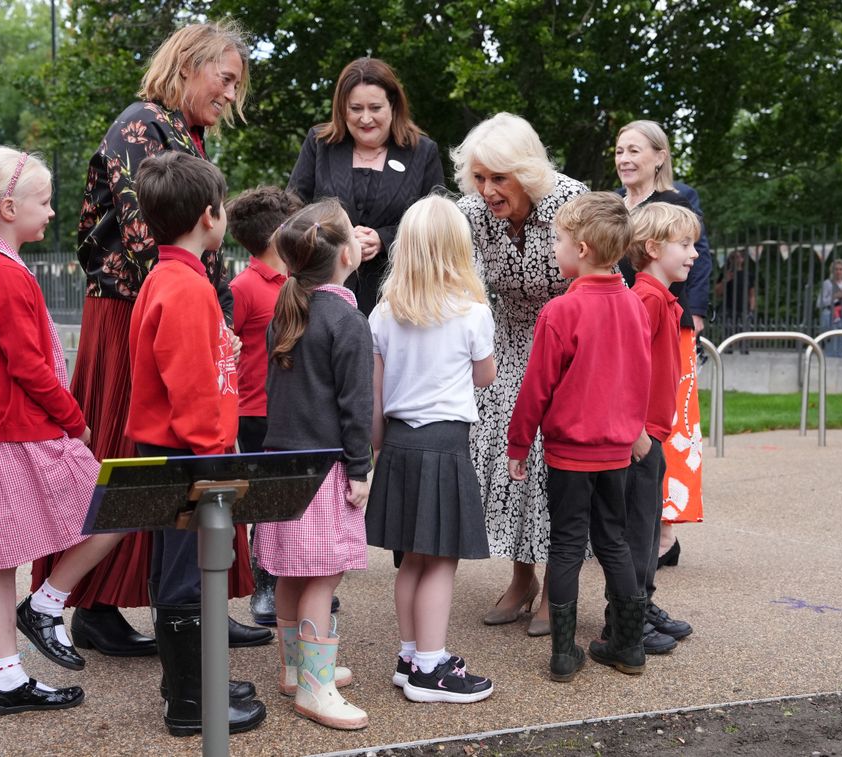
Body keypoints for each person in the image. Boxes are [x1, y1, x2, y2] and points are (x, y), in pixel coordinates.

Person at [31, 20, 271, 654]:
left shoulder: (183, 131)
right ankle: (90, 604)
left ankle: (190, 605)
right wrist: (209, 317)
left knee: (163, 461)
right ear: (188, 64)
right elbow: (149, 242)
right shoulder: (139, 126)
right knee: (130, 454)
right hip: (137, 309)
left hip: (173, 306)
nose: (230, 94)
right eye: (225, 79)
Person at [0, 146, 125, 715]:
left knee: (0, 559)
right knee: (115, 510)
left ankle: (7, 676)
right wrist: (76, 421)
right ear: (9, 208)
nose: (52, 212)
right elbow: (29, 366)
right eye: (44, 202)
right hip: (25, 434)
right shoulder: (4, 275)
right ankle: (47, 603)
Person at [125, 151, 266, 736]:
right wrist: (216, 459)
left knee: (180, 574)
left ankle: (190, 681)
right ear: (210, 216)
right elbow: (190, 388)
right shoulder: (185, 287)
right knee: (188, 578)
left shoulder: (172, 278)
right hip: (189, 455)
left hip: (179, 450)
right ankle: (191, 703)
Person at [506, 192, 651, 682]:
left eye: (558, 240)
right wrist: (634, 430)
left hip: (569, 452)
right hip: (615, 451)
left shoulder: (560, 312)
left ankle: (565, 655)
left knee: (567, 545)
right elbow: (642, 376)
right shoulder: (634, 306)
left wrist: (518, 443)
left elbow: (536, 388)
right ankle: (629, 647)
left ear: (583, 249)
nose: (554, 248)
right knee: (613, 540)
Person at [453, 112, 588, 637]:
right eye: (480, 177)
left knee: (555, 459)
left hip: (567, 343)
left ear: (527, 172)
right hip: (505, 342)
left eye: (499, 178)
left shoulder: (571, 204)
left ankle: (559, 584)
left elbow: (603, 280)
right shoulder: (469, 213)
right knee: (504, 453)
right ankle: (521, 576)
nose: (487, 190)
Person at [365, 196, 497, 704]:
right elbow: (484, 376)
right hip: (444, 445)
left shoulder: (383, 314)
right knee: (440, 560)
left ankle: (409, 654)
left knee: (412, 562)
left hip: (397, 444)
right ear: (457, 250)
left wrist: (376, 452)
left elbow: (374, 396)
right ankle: (430, 667)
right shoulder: (471, 312)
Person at [253, 199, 373, 730]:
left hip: (281, 462)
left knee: (287, 573)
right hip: (326, 468)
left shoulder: (285, 311)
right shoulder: (347, 319)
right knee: (323, 577)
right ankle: (314, 688)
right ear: (347, 253)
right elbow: (356, 408)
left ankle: (294, 668)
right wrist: (361, 470)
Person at [614, 119, 712, 568]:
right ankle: (630, 523)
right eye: (619, 151)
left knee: (668, 421)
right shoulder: (612, 205)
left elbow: (699, 254)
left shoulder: (677, 200)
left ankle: (665, 529)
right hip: (620, 321)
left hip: (667, 321)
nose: (625, 159)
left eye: (635, 150)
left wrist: (693, 313)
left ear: (659, 156)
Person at [288, 57, 444, 315]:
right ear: (342, 109)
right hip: (322, 298)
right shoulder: (319, 144)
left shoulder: (422, 152)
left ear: (393, 106)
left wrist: (384, 239)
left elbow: (437, 222)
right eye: (356, 108)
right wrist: (338, 236)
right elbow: (293, 211)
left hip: (399, 301)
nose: (366, 118)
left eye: (375, 107)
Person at [613, 202, 698, 657]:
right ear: (651, 248)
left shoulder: (661, 298)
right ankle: (625, 617)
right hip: (640, 438)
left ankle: (642, 604)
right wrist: (635, 432)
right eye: (684, 245)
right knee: (636, 529)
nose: (694, 254)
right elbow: (623, 369)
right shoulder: (645, 298)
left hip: (653, 434)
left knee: (647, 530)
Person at [226, 186, 303, 626]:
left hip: (291, 407)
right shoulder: (244, 287)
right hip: (255, 411)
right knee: (265, 502)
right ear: (278, 235)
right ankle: (266, 588)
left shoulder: (294, 282)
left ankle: (291, 585)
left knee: (291, 497)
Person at [817, 258, 842, 357]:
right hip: (830, 316)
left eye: (841, 269)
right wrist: (834, 297)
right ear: (832, 271)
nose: (838, 271)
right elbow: (819, 303)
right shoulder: (827, 284)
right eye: (836, 269)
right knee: (831, 342)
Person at [714, 249, 756, 337]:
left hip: (744, 309)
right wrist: (725, 280)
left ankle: (744, 349)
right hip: (728, 309)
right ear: (730, 259)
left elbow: (752, 295)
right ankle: (729, 350)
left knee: (744, 335)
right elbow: (717, 293)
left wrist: (751, 310)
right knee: (728, 335)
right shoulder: (725, 274)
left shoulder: (748, 275)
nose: (735, 259)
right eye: (733, 257)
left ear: (742, 259)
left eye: (737, 257)